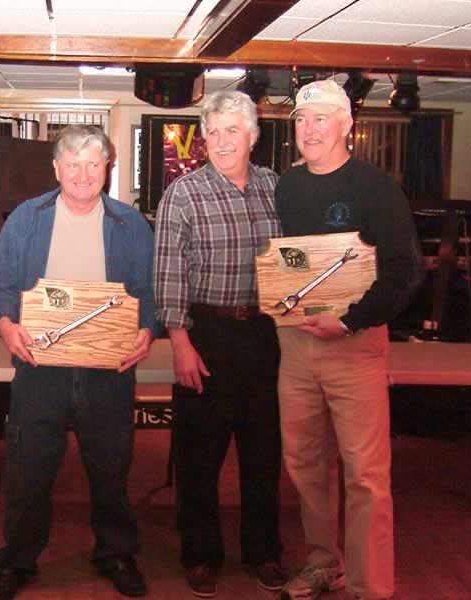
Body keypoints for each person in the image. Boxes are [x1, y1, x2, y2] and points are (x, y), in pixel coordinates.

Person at [0, 124, 160, 600]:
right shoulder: (26, 219)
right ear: (57, 168)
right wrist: (6, 326)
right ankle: (17, 560)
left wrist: (147, 329)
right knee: (28, 472)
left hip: (109, 371)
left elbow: (149, 293)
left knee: (111, 471)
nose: (83, 174)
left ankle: (116, 552)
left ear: (108, 167)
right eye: (73, 164)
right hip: (40, 369)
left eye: (93, 164)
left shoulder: (131, 225)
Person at [274, 80, 425, 600]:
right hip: (296, 345)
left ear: (346, 125)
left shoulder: (376, 187)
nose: (309, 129)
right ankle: (324, 565)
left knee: (365, 475)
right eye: (301, 120)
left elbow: (405, 272)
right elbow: (288, 264)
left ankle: (370, 587)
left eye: (320, 118)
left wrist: (349, 320)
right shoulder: (288, 187)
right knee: (305, 464)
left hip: (354, 344)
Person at [153, 90, 286, 597]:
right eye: (213, 132)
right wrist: (180, 343)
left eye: (232, 130)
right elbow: (168, 274)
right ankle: (201, 554)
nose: (222, 141)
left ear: (253, 136)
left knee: (263, 454)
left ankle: (263, 552)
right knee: (199, 456)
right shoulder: (183, 194)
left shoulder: (278, 188)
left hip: (267, 335)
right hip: (206, 334)